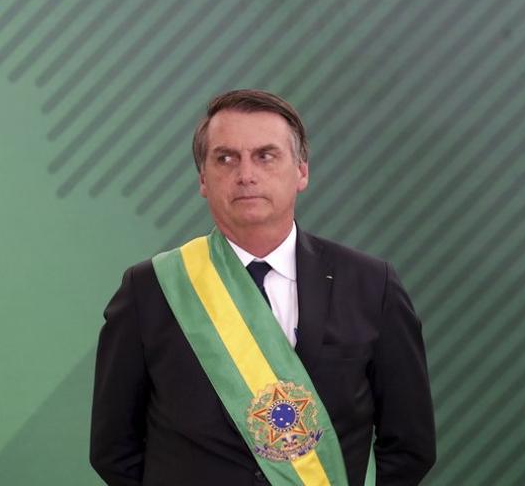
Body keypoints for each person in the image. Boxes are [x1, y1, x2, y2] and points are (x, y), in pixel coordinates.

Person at [90, 89, 435, 485]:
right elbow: (113, 448)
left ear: (302, 171)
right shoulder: (150, 290)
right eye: (226, 158)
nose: (246, 174)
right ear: (203, 179)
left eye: (265, 156)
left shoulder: (372, 286)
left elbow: (411, 445)